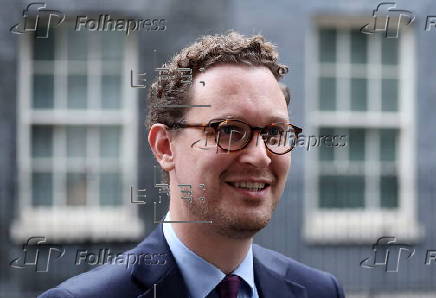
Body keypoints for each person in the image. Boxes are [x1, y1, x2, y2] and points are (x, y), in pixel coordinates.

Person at [40, 31, 345, 298]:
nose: (260, 156)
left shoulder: (320, 291)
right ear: (165, 146)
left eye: (274, 133)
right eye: (229, 130)